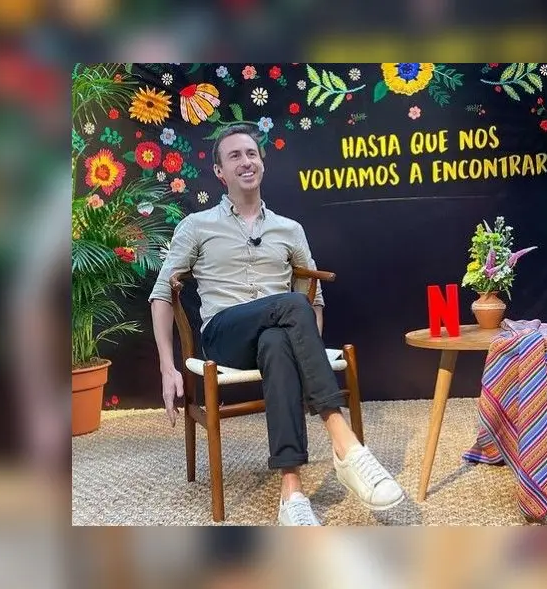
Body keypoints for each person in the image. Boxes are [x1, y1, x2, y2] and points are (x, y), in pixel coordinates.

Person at [149, 124, 404, 525]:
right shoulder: (197, 225)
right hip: (224, 335)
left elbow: (314, 301)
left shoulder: (290, 230)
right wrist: (167, 367)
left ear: (262, 163)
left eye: (251, 153)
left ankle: (292, 491)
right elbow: (162, 294)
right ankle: (345, 443)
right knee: (289, 303)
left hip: (276, 332)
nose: (245, 161)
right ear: (220, 172)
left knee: (277, 342)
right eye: (234, 156)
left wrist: (307, 352)